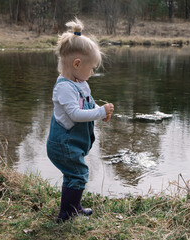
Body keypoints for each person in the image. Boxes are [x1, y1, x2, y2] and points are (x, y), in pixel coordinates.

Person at [46, 17, 114, 222]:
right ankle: (66, 214)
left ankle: (73, 207)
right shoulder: (64, 88)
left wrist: (97, 110)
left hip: (71, 143)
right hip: (63, 144)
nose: (93, 72)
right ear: (77, 64)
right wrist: (100, 112)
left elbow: (87, 105)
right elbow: (75, 114)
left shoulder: (79, 82)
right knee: (78, 174)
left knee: (74, 174)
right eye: (91, 67)